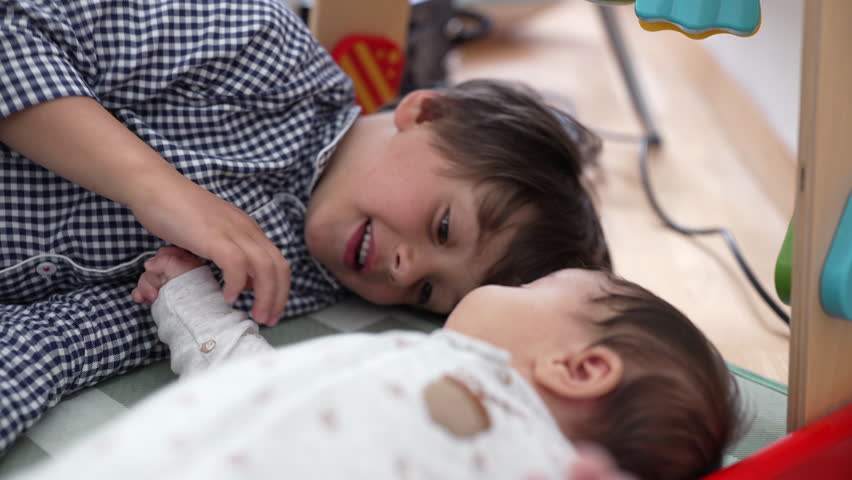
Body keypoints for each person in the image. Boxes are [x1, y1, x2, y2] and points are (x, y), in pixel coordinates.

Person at [0, 0, 610, 454]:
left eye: (427, 292)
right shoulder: (264, 50)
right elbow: (15, 29)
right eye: (444, 227)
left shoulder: (284, 290)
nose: (406, 268)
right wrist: (157, 188)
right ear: (429, 111)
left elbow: (68, 339)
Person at [10, 246, 739, 480]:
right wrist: (186, 300)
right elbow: (249, 379)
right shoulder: (408, 359)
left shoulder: (539, 455)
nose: (513, 284)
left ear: (578, 369)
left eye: (533, 289)